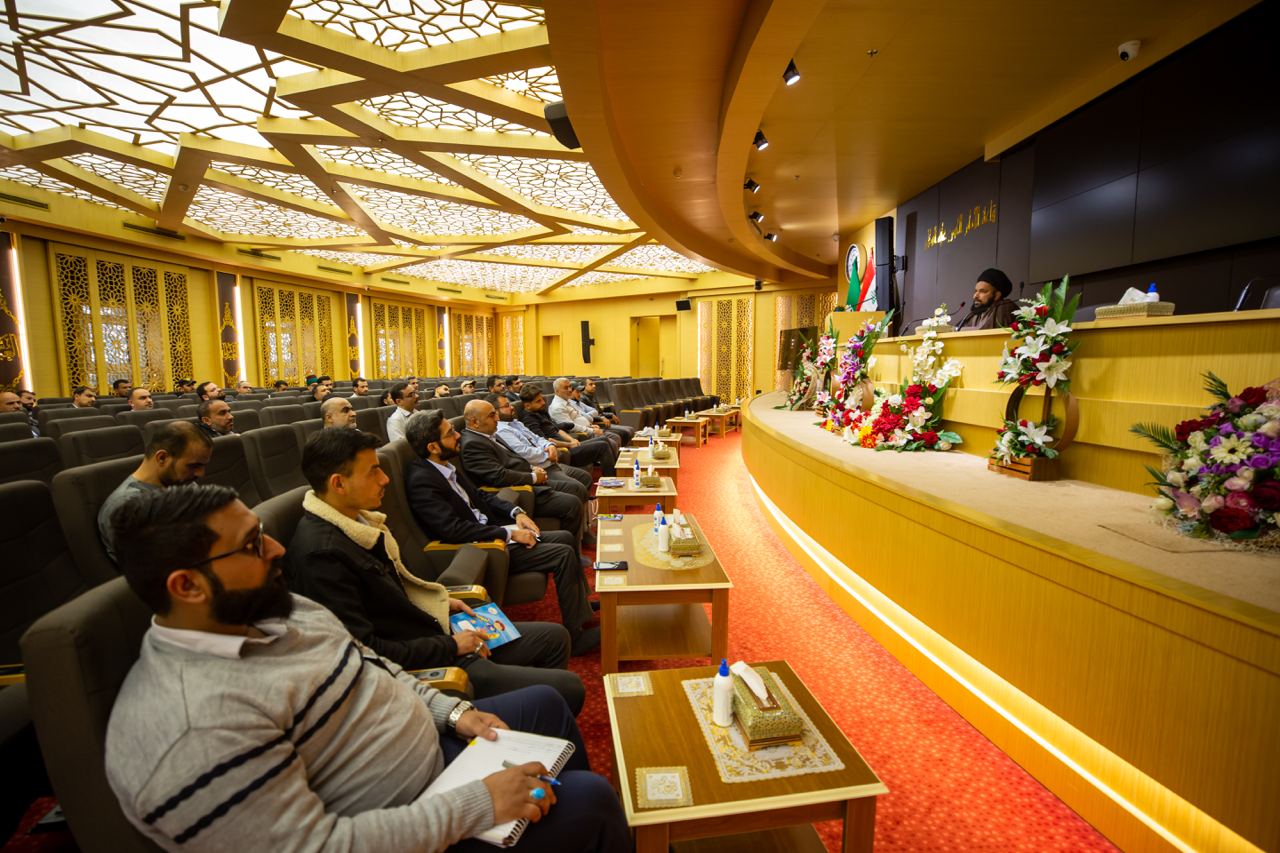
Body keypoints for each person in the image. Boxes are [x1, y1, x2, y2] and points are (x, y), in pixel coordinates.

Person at [105, 484, 628, 852]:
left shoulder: (279, 609)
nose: (277, 548)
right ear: (187, 586)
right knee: (590, 801)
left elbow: (372, 666)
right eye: (251, 545)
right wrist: (478, 805)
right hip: (400, 825)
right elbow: (315, 846)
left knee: (546, 704)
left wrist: (452, 714)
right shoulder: (191, 728)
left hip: (430, 754)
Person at [286, 428, 585, 711]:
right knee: (567, 688)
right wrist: (451, 646)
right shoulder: (322, 555)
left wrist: (440, 602)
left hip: (433, 629)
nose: (385, 479)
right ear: (338, 484)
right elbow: (367, 652)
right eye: (373, 471)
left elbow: (393, 598)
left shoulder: (361, 522)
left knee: (555, 638)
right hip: (428, 662)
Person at [404, 410, 599, 656]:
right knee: (562, 554)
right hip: (484, 548)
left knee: (565, 538)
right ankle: (576, 637)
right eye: (450, 433)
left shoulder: (444, 466)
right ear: (433, 447)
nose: (458, 434)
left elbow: (481, 496)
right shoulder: (422, 480)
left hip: (493, 532)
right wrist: (509, 535)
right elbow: (453, 530)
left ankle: (581, 610)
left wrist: (516, 512)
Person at [460, 399, 586, 538]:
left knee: (577, 488)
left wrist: (533, 468)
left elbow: (514, 458)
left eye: (495, 414)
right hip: (517, 491)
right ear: (474, 422)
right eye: (491, 415)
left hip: (528, 478)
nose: (497, 418)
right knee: (572, 503)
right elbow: (498, 476)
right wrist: (533, 477)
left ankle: (581, 537)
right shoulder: (472, 444)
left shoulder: (488, 434)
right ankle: (572, 544)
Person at [97, 420, 211, 561]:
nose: (200, 474)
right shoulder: (127, 506)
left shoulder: (184, 484)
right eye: (193, 466)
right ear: (162, 458)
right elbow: (153, 566)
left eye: (203, 466)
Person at [492, 394, 592, 492]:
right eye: (507, 406)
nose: (512, 407)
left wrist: (550, 445)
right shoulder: (502, 430)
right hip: (540, 468)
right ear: (495, 411)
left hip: (550, 463)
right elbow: (524, 452)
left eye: (510, 404)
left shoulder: (516, 423)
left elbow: (537, 438)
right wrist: (548, 454)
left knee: (585, 477)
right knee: (578, 488)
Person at [519, 387, 615, 474]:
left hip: (569, 445)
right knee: (603, 446)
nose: (543, 403)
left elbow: (558, 430)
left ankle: (617, 473)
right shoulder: (529, 420)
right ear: (527, 406)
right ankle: (611, 479)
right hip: (564, 451)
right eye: (538, 401)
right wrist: (569, 444)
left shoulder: (541, 412)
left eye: (542, 399)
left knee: (604, 439)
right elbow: (545, 442)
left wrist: (571, 440)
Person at [548, 379, 620, 453]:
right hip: (582, 435)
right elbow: (571, 427)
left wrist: (590, 426)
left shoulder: (568, 401)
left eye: (570, 387)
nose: (570, 390)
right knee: (612, 442)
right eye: (566, 388)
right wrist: (591, 430)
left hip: (588, 429)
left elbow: (579, 415)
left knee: (615, 437)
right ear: (557, 391)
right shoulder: (557, 407)